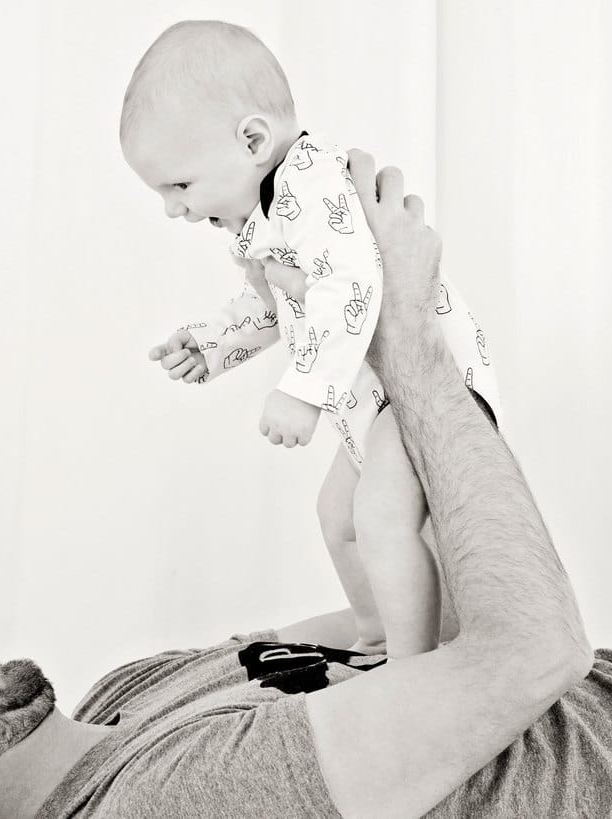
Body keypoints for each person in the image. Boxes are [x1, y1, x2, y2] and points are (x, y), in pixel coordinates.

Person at [0, 155, 612, 819]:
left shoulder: (125, 700)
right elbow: (532, 648)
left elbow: (438, 618)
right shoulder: (168, 804)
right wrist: (409, 348)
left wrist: (354, 382)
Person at [125, 20, 500, 659]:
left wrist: (303, 390)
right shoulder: (264, 214)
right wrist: (214, 344)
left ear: (251, 139)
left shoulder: (315, 186)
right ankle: (378, 634)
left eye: (180, 186)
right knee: (339, 518)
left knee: (382, 518)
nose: (173, 210)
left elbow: (348, 285)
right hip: (374, 405)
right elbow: (278, 298)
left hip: (426, 391)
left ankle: (414, 667)